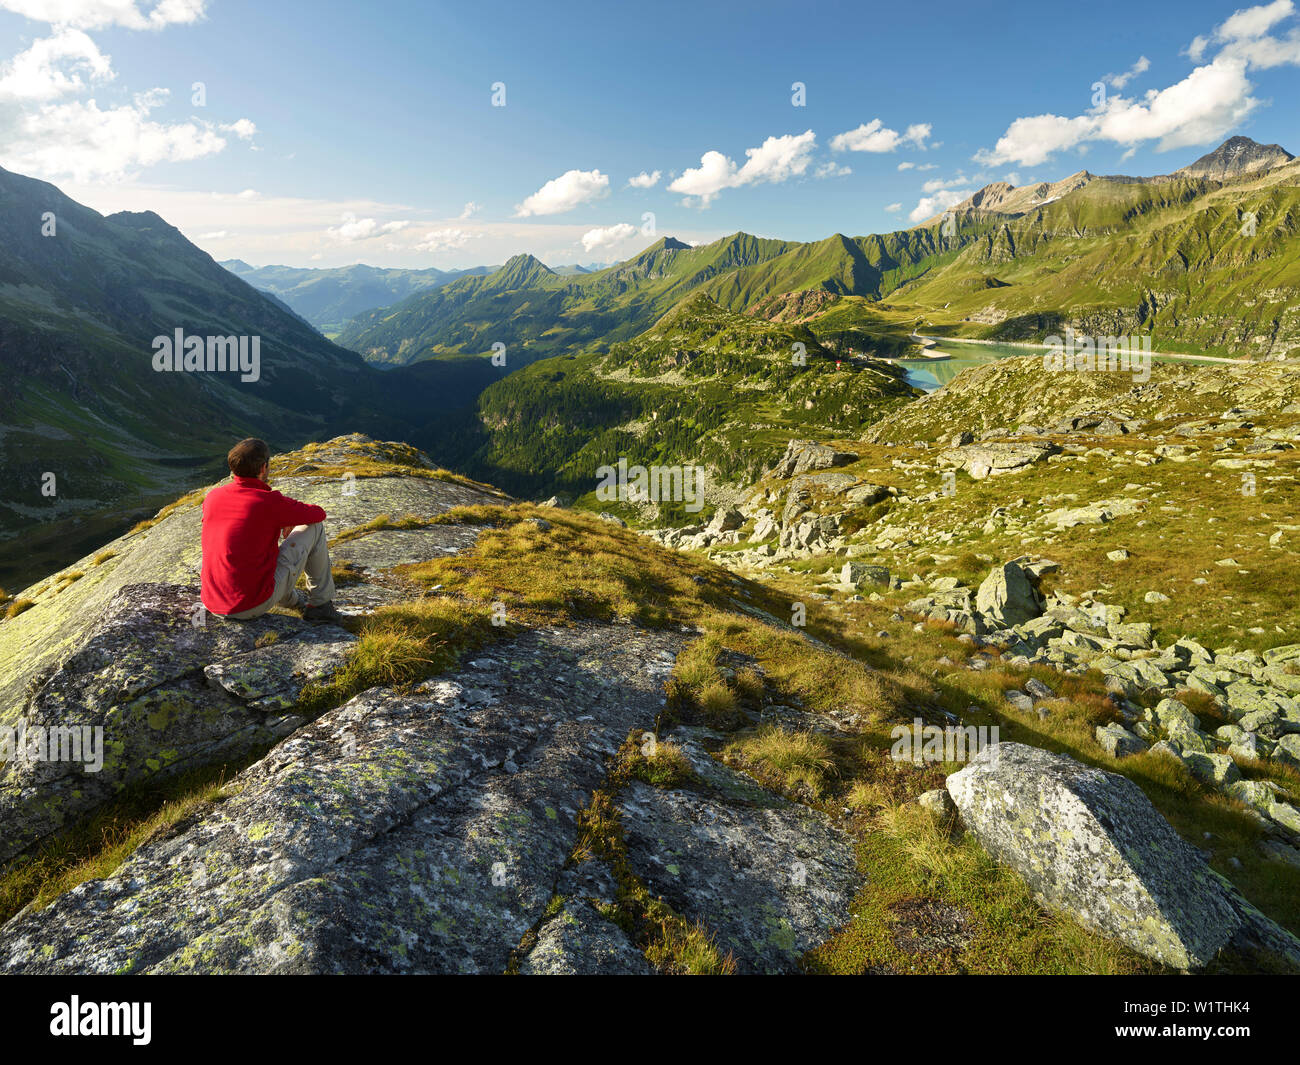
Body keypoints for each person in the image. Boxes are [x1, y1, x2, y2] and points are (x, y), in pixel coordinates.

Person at [200, 437, 342, 623]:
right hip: (248, 606)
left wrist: (280, 520)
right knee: (314, 527)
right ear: (263, 468)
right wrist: (287, 520)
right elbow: (317, 514)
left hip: (212, 602)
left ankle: (294, 602)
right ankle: (321, 606)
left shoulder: (213, 497)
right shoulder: (268, 502)